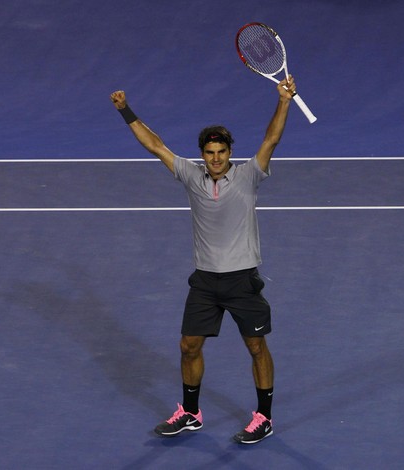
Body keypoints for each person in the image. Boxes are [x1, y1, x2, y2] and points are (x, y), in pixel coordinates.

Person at [110, 75, 296, 444]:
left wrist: (284, 101)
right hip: (206, 282)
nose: (215, 159)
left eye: (221, 152)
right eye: (209, 153)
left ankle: (264, 417)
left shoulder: (249, 176)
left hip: (241, 280)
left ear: (230, 153)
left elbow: (271, 139)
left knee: (256, 347)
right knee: (188, 346)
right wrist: (125, 111)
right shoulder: (191, 176)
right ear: (202, 155)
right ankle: (191, 413)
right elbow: (156, 145)